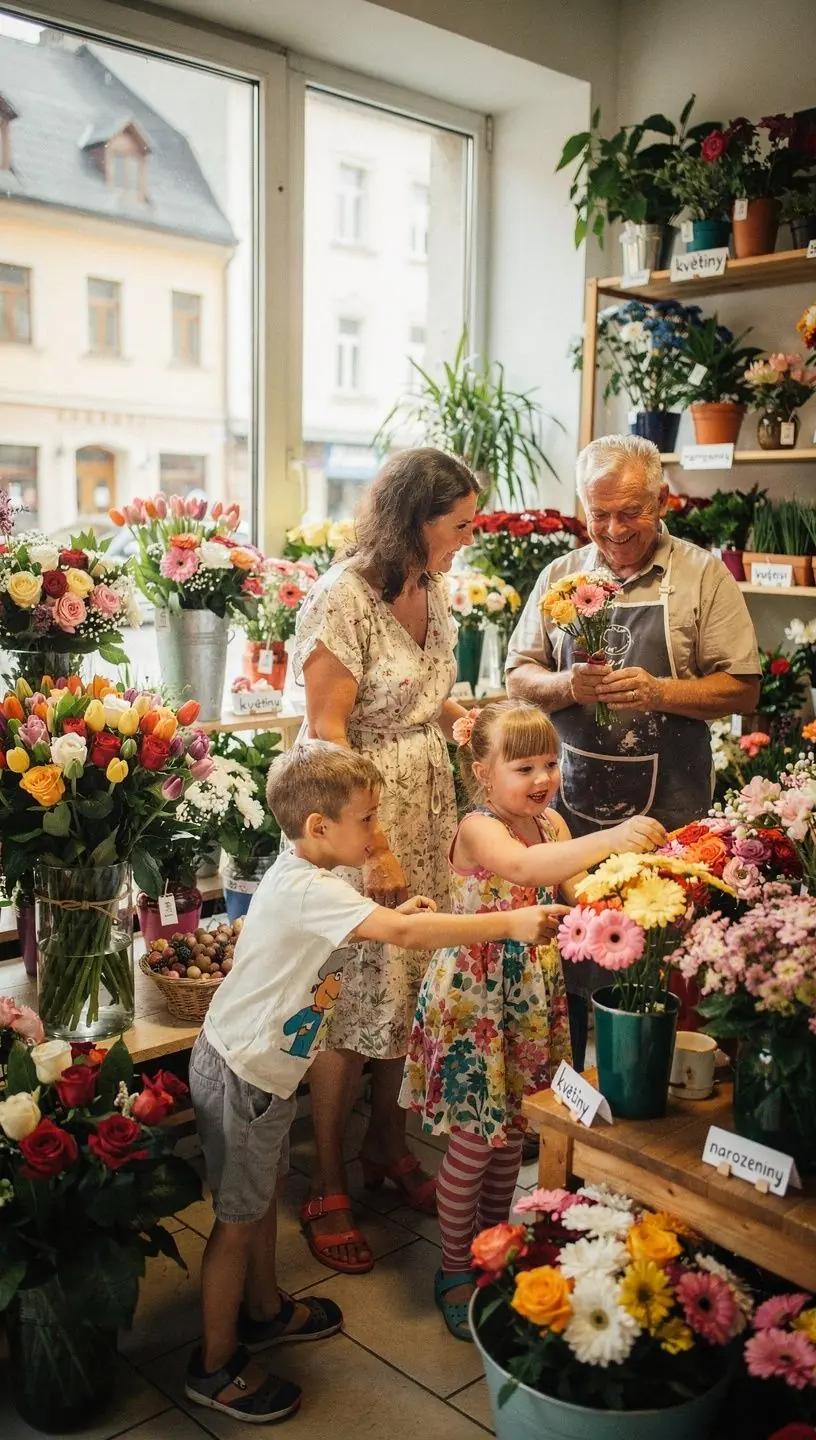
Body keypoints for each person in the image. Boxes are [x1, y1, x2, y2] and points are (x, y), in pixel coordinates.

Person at [186, 741, 560, 1423]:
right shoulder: (309, 887)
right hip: (244, 1073)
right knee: (237, 1223)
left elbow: (376, 928)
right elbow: (400, 937)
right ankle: (213, 1365)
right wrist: (508, 922)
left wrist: (405, 916)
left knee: (260, 1197)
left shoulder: (313, 877)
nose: (376, 830)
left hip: (261, 1070)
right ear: (320, 828)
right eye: (367, 818)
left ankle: (266, 1312)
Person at [400, 700, 666, 1340]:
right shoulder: (478, 827)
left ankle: (495, 1250)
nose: (543, 777)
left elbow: (572, 884)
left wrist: (635, 891)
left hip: (528, 998)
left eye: (551, 762)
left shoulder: (549, 823)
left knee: (513, 1137)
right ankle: (453, 1267)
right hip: (476, 1000)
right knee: (472, 1143)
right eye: (524, 766)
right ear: (483, 773)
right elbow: (521, 872)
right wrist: (613, 835)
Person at [505, 434, 761, 1068]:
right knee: (568, 956)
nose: (613, 530)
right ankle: (564, 1100)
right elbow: (518, 675)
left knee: (651, 960)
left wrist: (659, 691)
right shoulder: (562, 576)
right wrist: (567, 684)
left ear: (662, 500)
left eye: (630, 512)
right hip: (566, 809)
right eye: (599, 514)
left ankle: (646, 1110)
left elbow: (744, 685)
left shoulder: (701, 576)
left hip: (666, 809)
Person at [292, 448, 480, 1274]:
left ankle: (387, 1148)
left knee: (406, 988)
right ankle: (328, 1180)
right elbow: (328, 734)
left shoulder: (430, 590)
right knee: (346, 1005)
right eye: (460, 525)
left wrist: (450, 712)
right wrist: (375, 849)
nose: (468, 540)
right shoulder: (343, 600)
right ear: (414, 520)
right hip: (356, 820)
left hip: (425, 804)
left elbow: (409, 688)